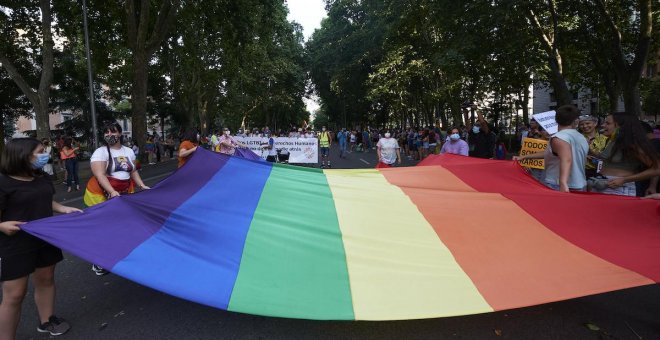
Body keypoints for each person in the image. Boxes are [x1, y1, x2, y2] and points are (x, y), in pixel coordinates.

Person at [0, 138, 81, 338]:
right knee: (15, 294)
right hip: (15, 243)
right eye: (40, 151)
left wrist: (63, 209)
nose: (45, 154)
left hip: (45, 237)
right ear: (22, 155)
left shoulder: (41, 177)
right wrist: (1, 226)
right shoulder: (3, 182)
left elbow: (46, 199)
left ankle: (47, 321)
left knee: (46, 279)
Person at [84, 122, 150, 275]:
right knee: (104, 226)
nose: (109, 135)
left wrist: (141, 185)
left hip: (123, 190)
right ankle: (99, 261)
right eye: (106, 132)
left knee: (125, 223)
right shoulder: (100, 152)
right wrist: (112, 191)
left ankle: (121, 254)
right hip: (100, 193)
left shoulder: (128, 151)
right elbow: (99, 174)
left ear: (120, 133)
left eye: (113, 132)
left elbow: (133, 172)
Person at [514, 105, 588, 192]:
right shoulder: (581, 137)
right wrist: (523, 157)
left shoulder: (559, 138)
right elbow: (551, 153)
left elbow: (566, 159)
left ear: (555, 120)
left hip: (560, 185)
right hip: (579, 183)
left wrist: (563, 183)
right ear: (576, 121)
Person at [592, 112, 660, 196]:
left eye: (608, 123)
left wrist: (625, 180)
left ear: (620, 126)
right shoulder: (613, 141)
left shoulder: (632, 145)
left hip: (619, 188)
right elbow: (607, 158)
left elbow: (657, 169)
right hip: (602, 184)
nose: (603, 125)